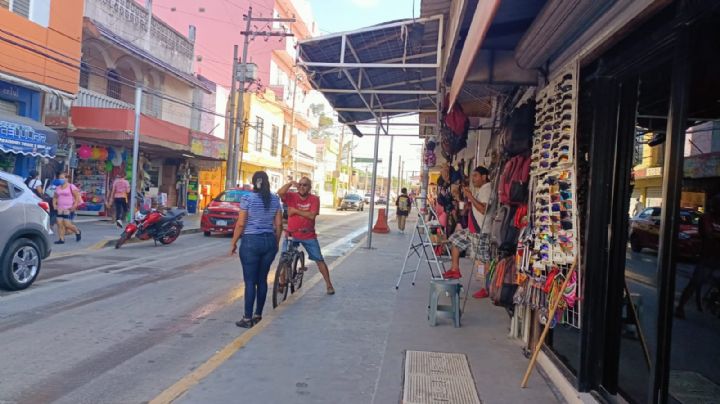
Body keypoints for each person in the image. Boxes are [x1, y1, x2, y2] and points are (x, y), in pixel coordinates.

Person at [229, 171, 283, 328]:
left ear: (253, 182)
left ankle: (247, 318)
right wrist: (276, 242)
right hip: (269, 242)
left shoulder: (247, 198)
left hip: (251, 242)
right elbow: (279, 225)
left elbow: (240, 224)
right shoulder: (275, 199)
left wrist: (233, 242)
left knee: (250, 281)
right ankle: (258, 314)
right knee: (262, 279)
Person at [278, 177, 335, 295]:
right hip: (292, 233)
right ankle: (282, 283)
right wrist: (290, 183)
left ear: (310, 187)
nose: (302, 187)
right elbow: (280, 193)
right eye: (300, 184)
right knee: (284, 258)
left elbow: (312, 216)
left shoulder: (314, 199)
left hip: (308, 235)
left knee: (319, 260)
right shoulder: (292, 196)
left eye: (305, 185)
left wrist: (295, 211)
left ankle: (329, 284)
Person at [675, 194, 720, 319]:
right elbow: (708, 235)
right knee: (695, 283)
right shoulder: (706, 219)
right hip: (707, 257)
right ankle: (680, 307)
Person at [444, 166, 492, 282]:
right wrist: (468, 205)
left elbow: (483, 209)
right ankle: (455, 269)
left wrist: (470, 196)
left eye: (475, 176)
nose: (473, 179)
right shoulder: (481, 189)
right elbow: (478, 207)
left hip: (481, 230)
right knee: (455, 239)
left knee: (481, 260)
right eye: (472, 176)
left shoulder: (487, 189)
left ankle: (486, 287)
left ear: (484, 177)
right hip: (473, 229)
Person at [52, 172, 82, 244]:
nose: (60, 179)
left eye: (62, 178)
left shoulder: (71, 186)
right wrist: (54, 205)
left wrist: (74, 206)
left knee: (67, 224)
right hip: (59, 208)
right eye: (60, 178)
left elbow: (77, 197)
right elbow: (55, 197)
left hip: (68, 208)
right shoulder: (58, 187)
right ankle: (61, 239)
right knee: (59, 224)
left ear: (67, 179)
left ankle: (77, 231)